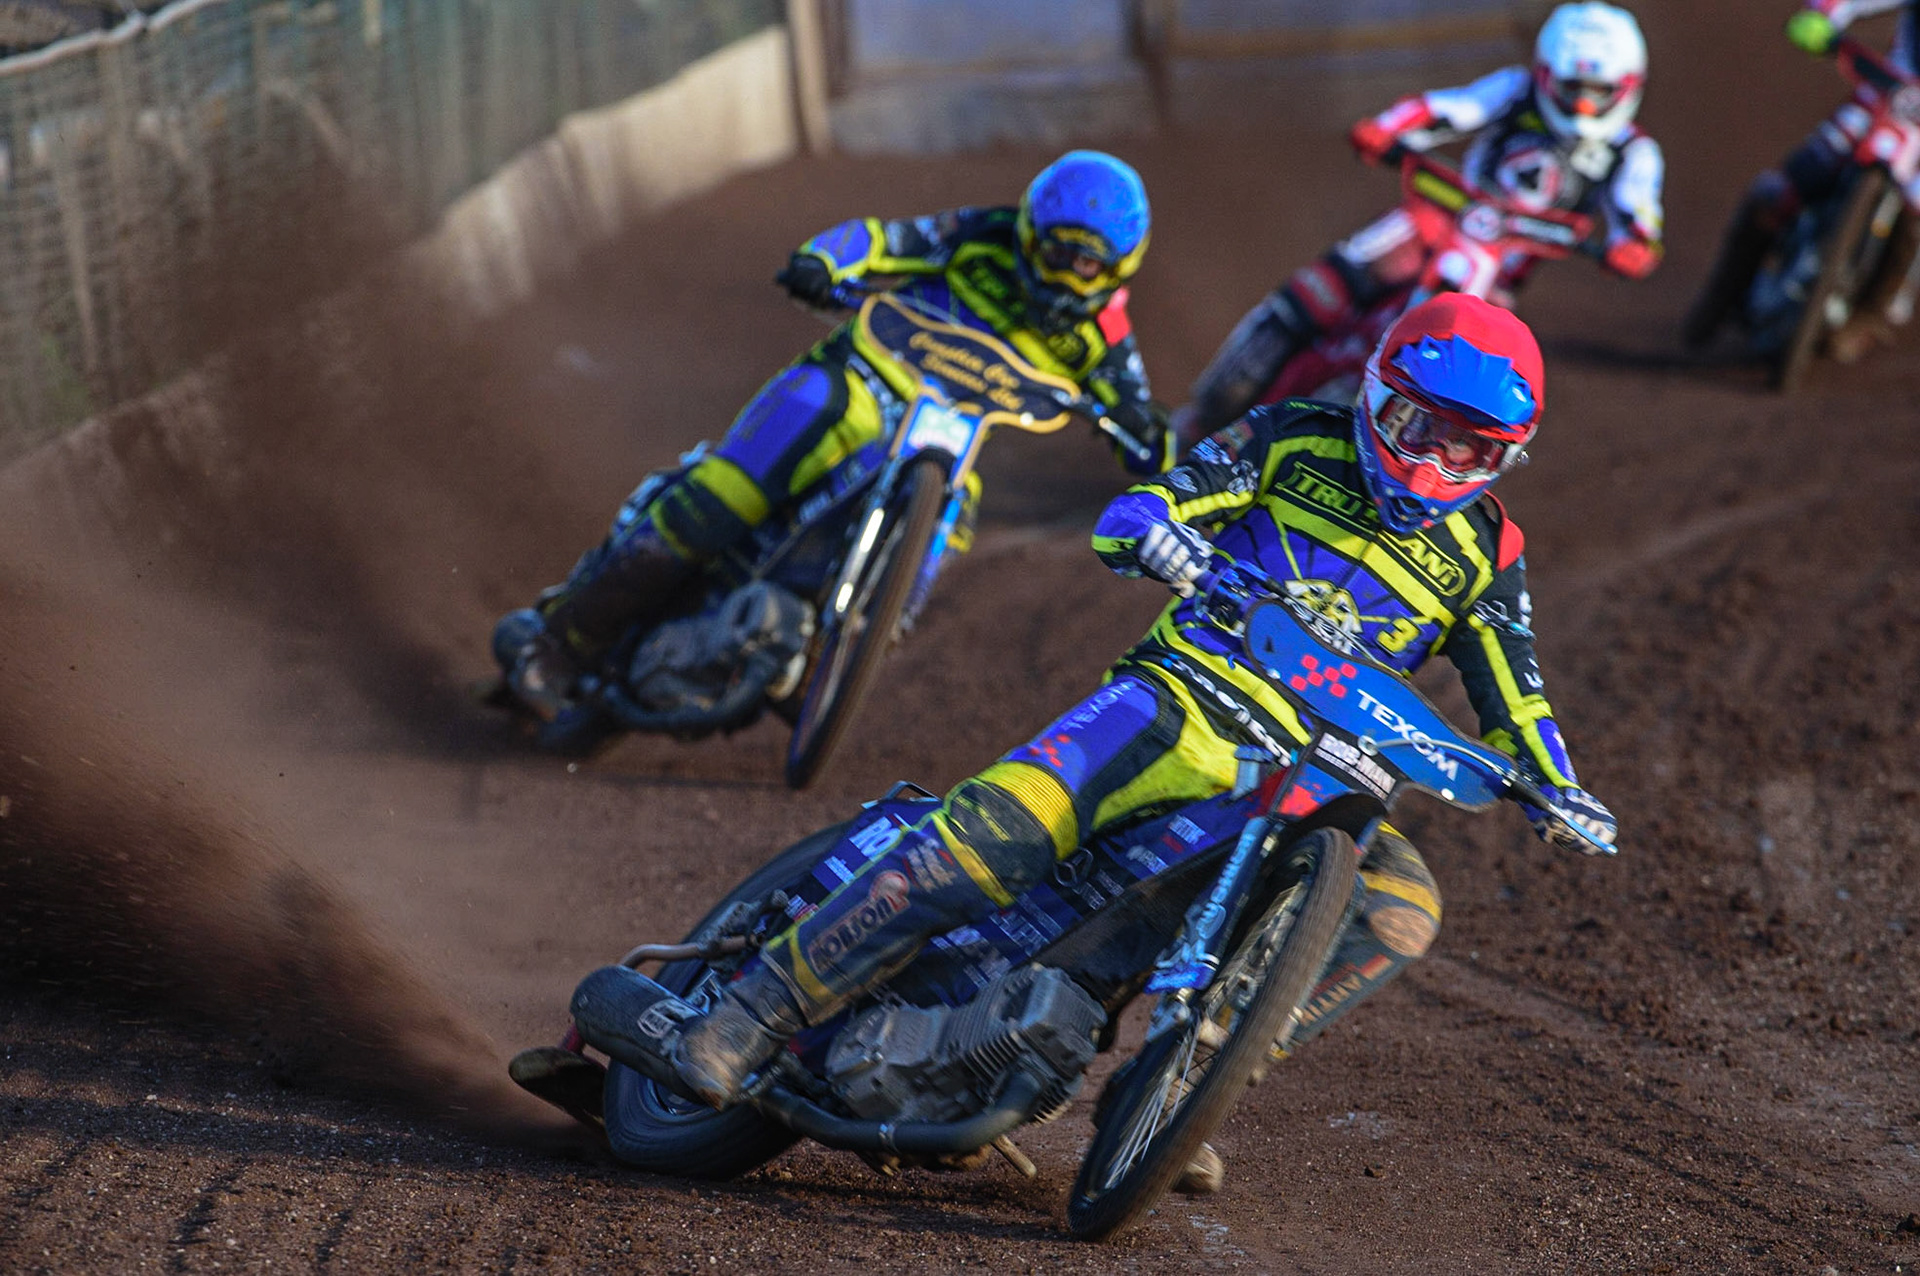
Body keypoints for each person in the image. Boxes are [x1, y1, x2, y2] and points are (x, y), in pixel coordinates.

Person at [601, 294, 1617, 1192]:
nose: (1437, 463)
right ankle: (750, 1012)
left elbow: (1517, 696)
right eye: (1418, 428)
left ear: (1503, 461)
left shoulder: (1489, 552)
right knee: (997, 831)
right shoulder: (1288, 439)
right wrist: (1161, 531)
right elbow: (1153, 502)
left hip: (1321, 773)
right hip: (1183, 703)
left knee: (1402, 907)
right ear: (1374, 394)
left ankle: (1186, 1079)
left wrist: (1557, 785)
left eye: (1471, 451)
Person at [497, 150, 1173, 720]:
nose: (1066, 274)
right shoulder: (978, 235)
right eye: (1057, 252)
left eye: (1086, 265)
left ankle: (837, 644)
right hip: (855, 383)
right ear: (1029, 233)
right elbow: (879, 240)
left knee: (954, 514)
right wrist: (823, 261)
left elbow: (1141, 411)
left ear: (1118, 269)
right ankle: (562, 641)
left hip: (951, 438)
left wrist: (1151, 445)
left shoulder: (1104, 335)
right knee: (723, 496)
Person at [1176, 1, 1663, 446]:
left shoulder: (1634, 152)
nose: (1582, 106)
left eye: (1597, 93)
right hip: (1438, 218)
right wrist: (1387, 128)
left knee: (1460, 378)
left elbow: (1638, 212)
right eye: (1572, 89)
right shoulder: (1516, 91)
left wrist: (1635, 246)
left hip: (1499, 271)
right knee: (1323, 288)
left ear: (1626, 89)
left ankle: (1402, 454)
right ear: (1545, 76)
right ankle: (1202, 413)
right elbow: (1453, 107)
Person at [1684, 0, 1920, 360]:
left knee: (1914, 218)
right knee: (1785, 187)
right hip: (1885, 95)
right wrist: (1821, 15)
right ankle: (1723, 294)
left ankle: (1870, 315)